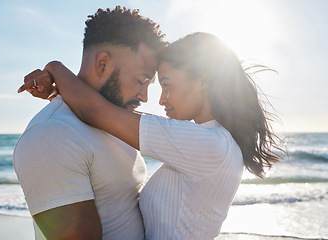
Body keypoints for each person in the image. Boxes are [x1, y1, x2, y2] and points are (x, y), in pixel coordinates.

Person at [20, 32, 285, 239]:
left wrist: (55, 67)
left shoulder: (210, 145)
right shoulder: (212, 141)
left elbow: (95, 110)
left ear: (204, 80)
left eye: (167, 85)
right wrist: (60, 93)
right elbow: (100, 114)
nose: (160, 99)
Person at [13, 6, 166, 240]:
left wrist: (55, 68)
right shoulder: (51, 135)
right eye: (140, 80)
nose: (145, 97)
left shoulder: (114, 120)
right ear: (103, 63)